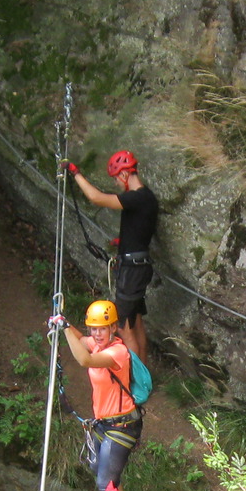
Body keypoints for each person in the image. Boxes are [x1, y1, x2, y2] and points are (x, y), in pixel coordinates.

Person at [51, 298, 141, 491]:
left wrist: (63, 328)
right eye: (93, 328)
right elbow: (82, 341)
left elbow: (84, 359)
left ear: (113, 328)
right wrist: (65, 324)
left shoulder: (117, 353)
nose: (97, 334)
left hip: (122, 426)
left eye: (102, 328)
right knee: (97, 467)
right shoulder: (97, 342)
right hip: (105, 423)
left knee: (105, 483)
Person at [68, 150, 158, 360]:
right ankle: (143, 374)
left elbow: (96, 198)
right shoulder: (147, 197)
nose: (116, 183)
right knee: (135, 323)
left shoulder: (137, 197)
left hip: (131, 271)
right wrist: (124, 242)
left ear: (125, 174)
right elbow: (140, 228)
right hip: (138, 265)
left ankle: (132, 376)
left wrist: (75, 173)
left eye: (116, 178)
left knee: (124, 328)